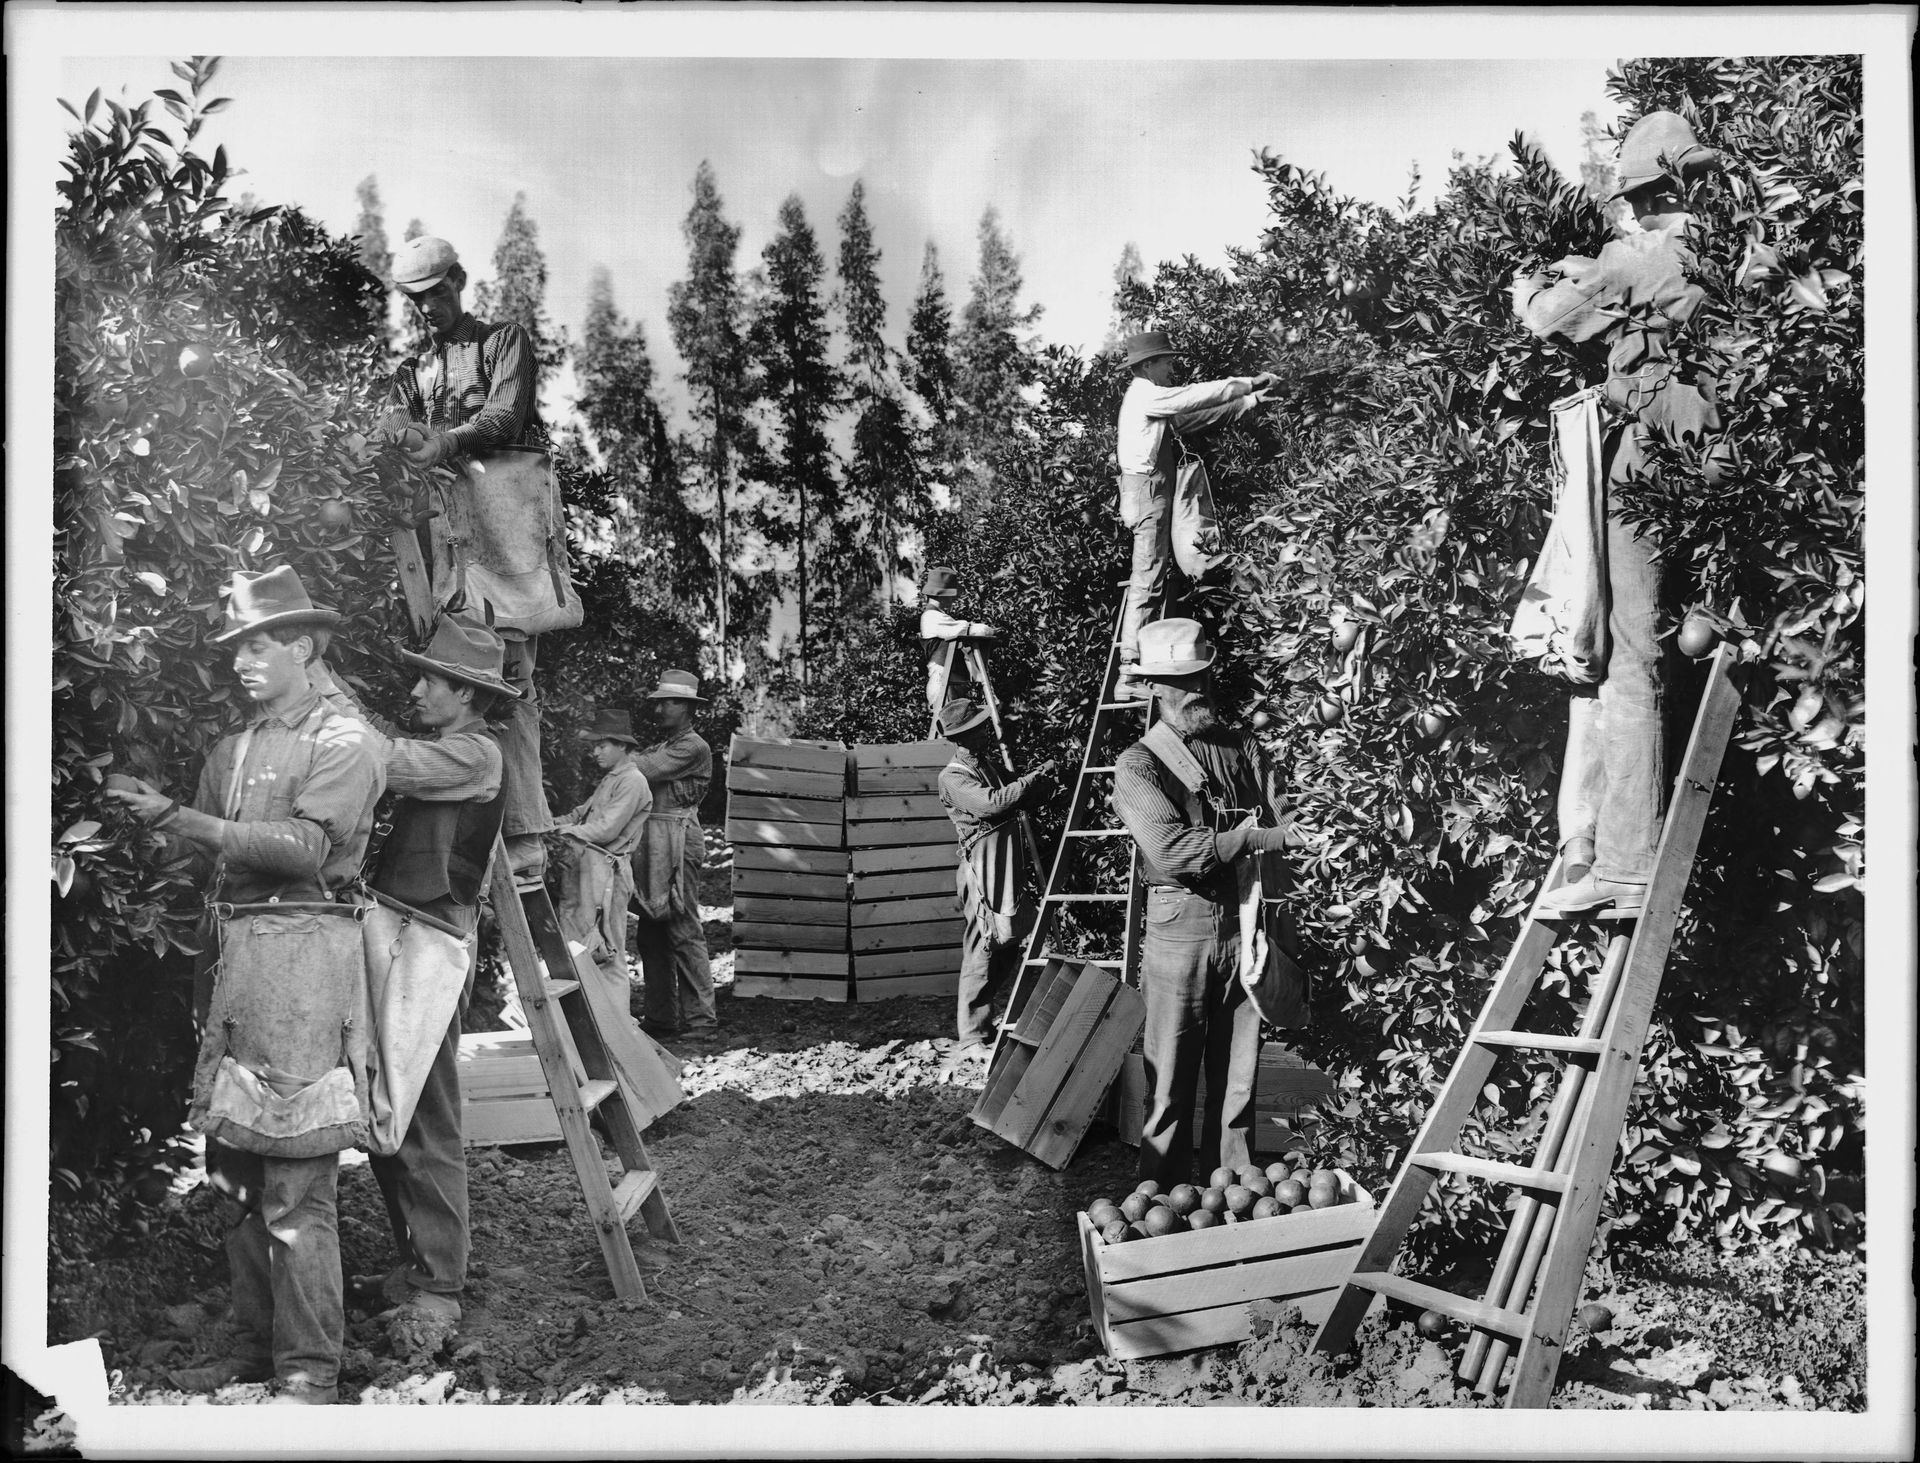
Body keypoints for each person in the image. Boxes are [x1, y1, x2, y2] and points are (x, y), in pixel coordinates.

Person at [107, 566, 384, 1405]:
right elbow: (201, 849)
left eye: (256, 644)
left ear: (302, 644)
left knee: (297, 1172)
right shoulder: (237, 747)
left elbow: (302, 848)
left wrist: (175, 818)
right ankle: (253, 1344)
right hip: (228, 957)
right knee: (230, 1160)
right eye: (235, 648)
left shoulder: (347, 738)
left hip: (302, 955)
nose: (239, 661)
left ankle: (308, 1370)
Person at [1512, 111, 1729, 917]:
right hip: (1711, 444)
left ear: (1653, 190)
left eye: (1637, 194)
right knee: (1669, 637)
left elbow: (1549, 318)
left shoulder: (1630, 252)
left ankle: (1625, 864)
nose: (1632, 208)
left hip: (1643, 449)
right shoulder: (1727, 245)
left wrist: (1537, 283)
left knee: (1626, 659)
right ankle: (1620, 849)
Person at [348, 614, 515, 1355]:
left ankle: (440, 1284)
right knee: (391, 1108)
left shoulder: (476, 754)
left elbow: (388, 762)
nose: (416, 689)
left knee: (426, 1116)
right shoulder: (456, 744)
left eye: (429, 680)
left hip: (430, 944)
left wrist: (327, 695)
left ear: (467, 695)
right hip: (398, 930)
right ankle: (418, 1260)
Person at [382, 233, 555, 891]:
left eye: (436, 294)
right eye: (416, 301)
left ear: (459, 280)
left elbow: (508, 416)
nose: (428, 309)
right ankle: (465, 840)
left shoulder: (501, 341)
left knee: (511, 680)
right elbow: (393, 430)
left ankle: (526, 836)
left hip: (503, 536)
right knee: (453, 679)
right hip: (443, 545)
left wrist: (446, 439)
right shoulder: (412, 371)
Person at [1110, 618, 1289, 1190]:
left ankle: (1230, 1192)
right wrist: (1256, 837)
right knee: (1170, 1078)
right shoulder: (1140, 764)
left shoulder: (1243, 748)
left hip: (1245, 919)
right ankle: (1162, 1196)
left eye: (1203, 676)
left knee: (1239, 1074)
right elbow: (1172, 849)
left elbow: (1288, 815)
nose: (1199, 690)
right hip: (1179, 923)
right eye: (1184, 682)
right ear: (1155, 687)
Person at [1113, 331, 1276, 696]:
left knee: (1154, 575)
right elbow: (1192, 397)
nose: (1173, 367)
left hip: (1151, 490)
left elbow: (1190, 419)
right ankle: (1129, 673)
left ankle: (1138, 664)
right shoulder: (1145, 393)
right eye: (1167, 361)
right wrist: (1246, 383)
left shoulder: (1151, 399)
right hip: (1147, 492)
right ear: (1148, 365)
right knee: (1148, 577)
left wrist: (1250, 401)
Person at [935, 699, 1055, 1069]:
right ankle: (972, 1035)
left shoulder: (988, 766)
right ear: (961, 737)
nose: (984, 731)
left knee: (1007, 943)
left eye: (983, 726)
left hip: (1006, 865)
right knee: (982, 945)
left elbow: (1019, 799)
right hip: (981, 870)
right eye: (977, 728)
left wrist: (1044, 784)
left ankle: (988, 1019)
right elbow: (992, 804)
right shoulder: (953, 777)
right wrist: (1030, 781)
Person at [553, 707, 663, 1076]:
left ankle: (618, 1038)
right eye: (595, 745)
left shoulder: (632, 781)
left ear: (622, 746)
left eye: (603, 745)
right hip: (588, 868)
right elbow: (582, 814)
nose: (595, 752)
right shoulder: (611, 778)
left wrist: (564, 833)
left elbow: (605, 828)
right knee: (582, 949)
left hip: (606, 873)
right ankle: (593, 1032)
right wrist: (551, 824)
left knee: (607, 952)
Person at [630, 670, 718, 1041]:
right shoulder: (667, 743)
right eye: (660, 702)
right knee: (652, 930)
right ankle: (661, 1017)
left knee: (682, 926)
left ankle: (701, 1020)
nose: (661, 708)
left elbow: (640, 770)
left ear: (687, 707)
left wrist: (617, 752)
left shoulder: (691, 746)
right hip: (657, 838)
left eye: (669, 702)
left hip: (678, 839)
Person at [919, 565, 997, 716]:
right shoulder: (932, 617)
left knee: (961, 732)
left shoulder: (939, 616)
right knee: (952, 731)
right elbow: (973, 630)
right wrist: (991, 630)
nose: (954, 599)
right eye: (952, 595)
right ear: (942, 595)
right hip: (943, 684)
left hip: (950, 683)